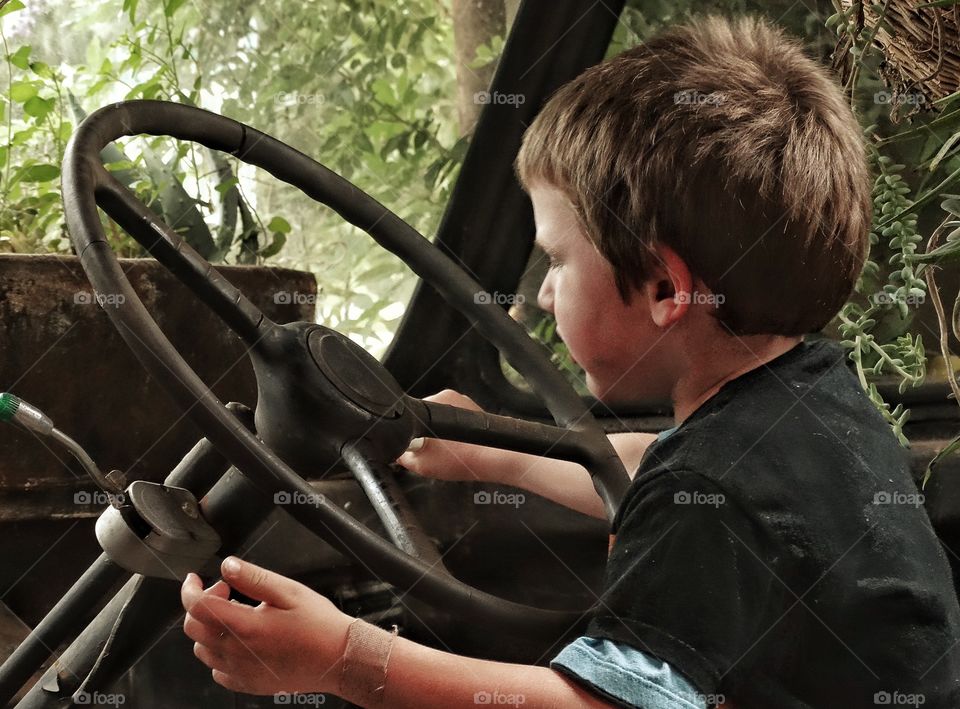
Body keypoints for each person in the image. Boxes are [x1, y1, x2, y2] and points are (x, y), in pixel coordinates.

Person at [180, 14, 960, 708]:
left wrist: (346, 659)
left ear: (664, 288)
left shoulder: (711, 489)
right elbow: (654, 464)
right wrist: (502, 455)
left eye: (555, 259)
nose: (545, 295)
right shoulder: (809, 397)